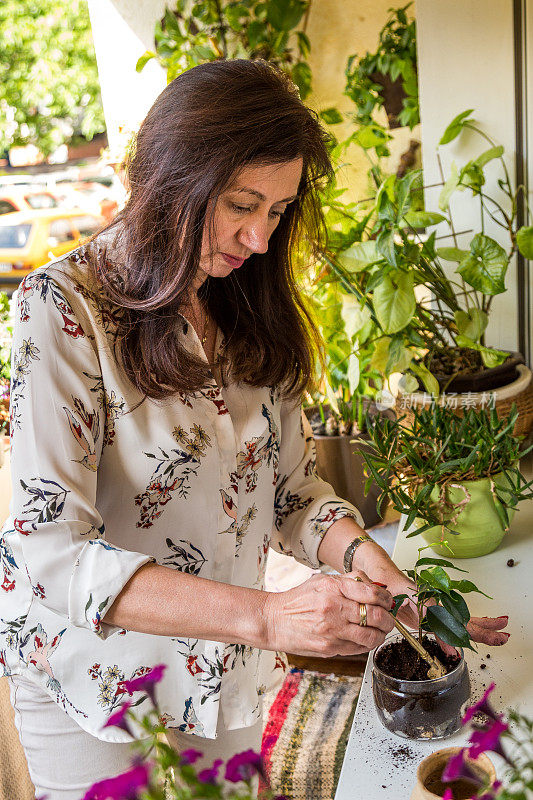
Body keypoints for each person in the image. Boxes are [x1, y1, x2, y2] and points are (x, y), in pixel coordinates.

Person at [0, 60, 508, 799]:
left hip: (222, 662)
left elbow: (291, 491)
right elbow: (48, 551)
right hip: (94, 681)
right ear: (171, 179)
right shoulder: (64, 310)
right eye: (241, 204)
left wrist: (376, 570)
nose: (260, 237)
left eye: (277, 211)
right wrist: (271, 619)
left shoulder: (242, 302)